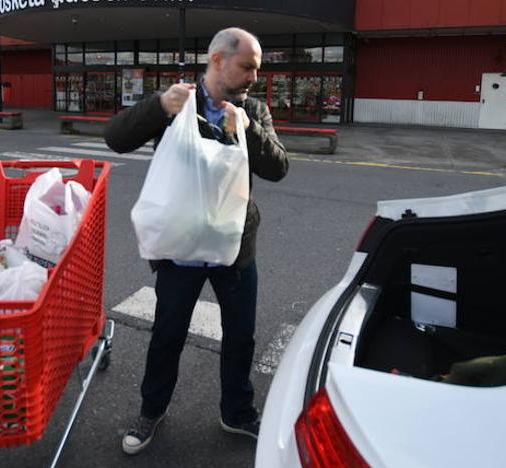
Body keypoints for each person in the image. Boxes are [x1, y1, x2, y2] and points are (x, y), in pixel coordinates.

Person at [105, 27, 288, 455]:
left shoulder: (254, 109)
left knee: (241, 335)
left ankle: (238, 413)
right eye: (247, 67)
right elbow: (115, 138)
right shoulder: (175, 104)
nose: (253, 78)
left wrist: (248, 129)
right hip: (181, 249)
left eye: (257, 69)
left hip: (234, 248)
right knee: (167, 333)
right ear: (218, 60)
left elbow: (278, 168)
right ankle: (151, 410)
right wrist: (156, 106)